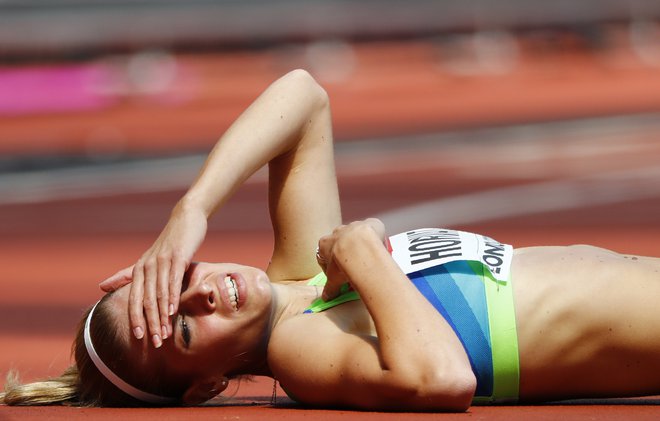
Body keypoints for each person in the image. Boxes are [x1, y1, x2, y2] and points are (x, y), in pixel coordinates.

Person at [3, 69, 660, 411]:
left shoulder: (299, 279)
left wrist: (191, 208)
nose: (201, 295)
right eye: (181, 331)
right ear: (204, 385)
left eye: (177, 280)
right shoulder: (306, 354)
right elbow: (442, 377)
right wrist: (359, 250)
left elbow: (304, 97)